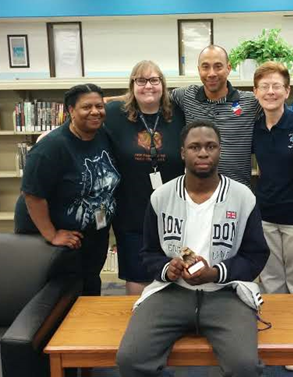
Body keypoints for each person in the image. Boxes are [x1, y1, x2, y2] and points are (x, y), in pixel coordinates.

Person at [116, 120, 270, 377]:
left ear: (220, 150)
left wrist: (216, 273)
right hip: (171, 292)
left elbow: (256, 256)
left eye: (211, 146)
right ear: (182, 153)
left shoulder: (243, 197)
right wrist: (168, 267)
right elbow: (149, 252)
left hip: (225, 292)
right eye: (195, 147)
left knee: (244, 366)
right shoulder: (161, 197)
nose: (203, 153)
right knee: (130, 359)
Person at [14, 84, 121, 296]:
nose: (94, 111)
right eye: (86, 107)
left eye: (99, 106)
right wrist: (52, 234)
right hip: (56, 238)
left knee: (89, 285)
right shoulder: (51, 147)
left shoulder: (102, 135)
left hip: (92, 232)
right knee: (60, 295)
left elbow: (119, 101)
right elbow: (33, 194)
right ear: (71, 110)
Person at [252, 61, 293, 373]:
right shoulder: (255, 127)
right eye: (264, 86)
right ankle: (277, 339)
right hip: (265, 214)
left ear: (287, 91)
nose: (271, 91)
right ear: (255, 92)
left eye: (277, 86)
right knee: (271, 282)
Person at [105, 60, 185, 295]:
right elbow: (82, 119)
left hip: (174, 210)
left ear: (163, 84)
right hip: (131, 210)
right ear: (132, 85)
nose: (147, 86)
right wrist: (49, 135)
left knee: (174, 269)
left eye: (154, 80)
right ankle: (142, 319)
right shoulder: (114, 114)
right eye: (140, 80)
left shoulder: (179, 114)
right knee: (137, 274)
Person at [171, 45, 261, 187]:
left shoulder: (251, 102)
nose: (211, 73)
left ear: (229, 68)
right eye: (205, 67)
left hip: (237, 193)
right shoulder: (186, 96)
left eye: (218, 66)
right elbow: (154, 96)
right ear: (199, 69)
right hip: (197, 192)